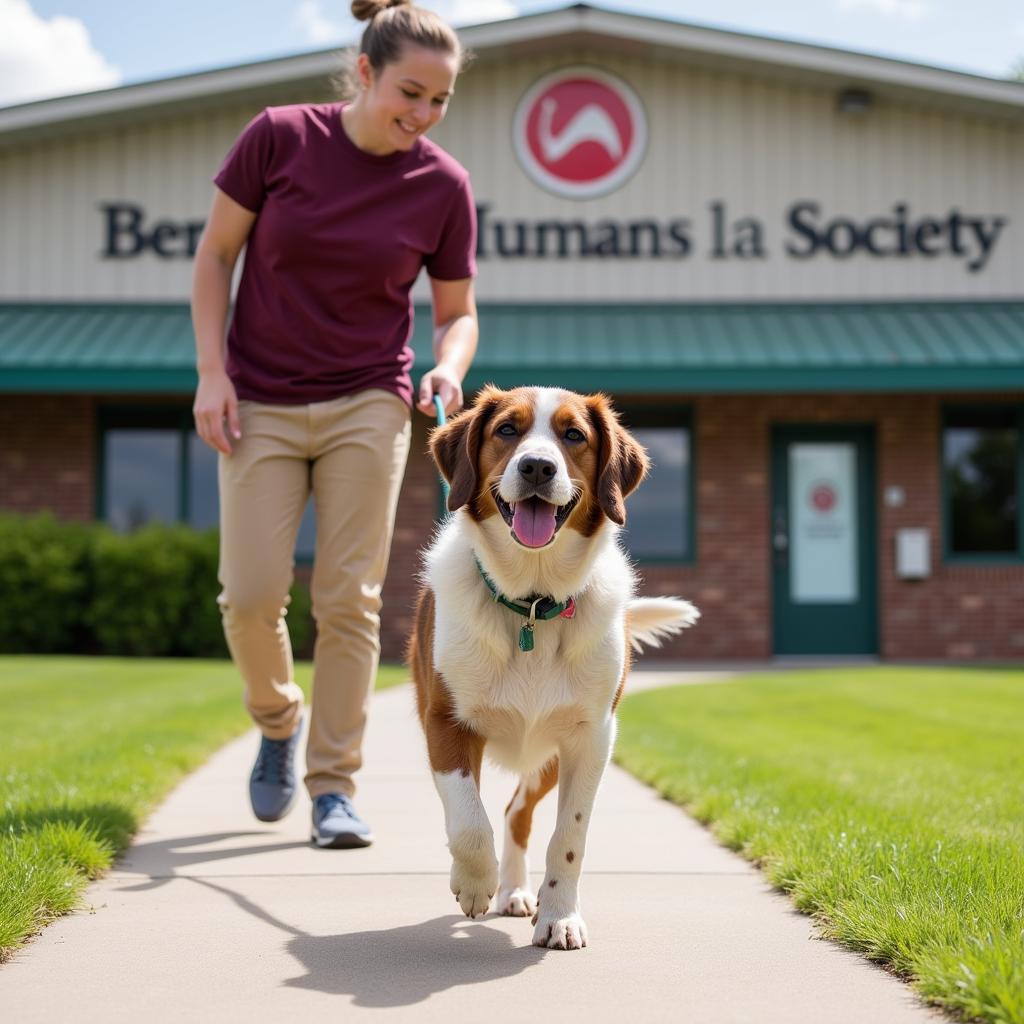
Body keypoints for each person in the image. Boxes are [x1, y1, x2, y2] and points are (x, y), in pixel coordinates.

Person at [190, 0, 478, 849]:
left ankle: (332, 788)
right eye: (409, 93)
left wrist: (448, 366)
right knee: (248, 599)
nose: (422, 115)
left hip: (369, 400)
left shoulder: (442, 186)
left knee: (348, 600)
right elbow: (215, 256)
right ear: (365, 73)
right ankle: (278, 720)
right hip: (261, 398)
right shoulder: (278, 138)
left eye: (440, 101)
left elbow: (457, 310)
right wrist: (212, 372)